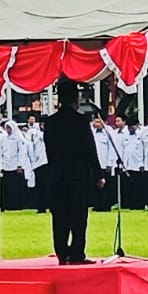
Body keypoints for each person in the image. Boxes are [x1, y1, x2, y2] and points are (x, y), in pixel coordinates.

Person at [42, 80, 103, 265]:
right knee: (78, 215)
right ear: (75, 98)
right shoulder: (81, 121)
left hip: (57, 174)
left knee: (59, 215)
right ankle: (77, 252)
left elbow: (49, 150)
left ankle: (62, 252)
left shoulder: (50, 122)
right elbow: (89, 149)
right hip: (78, 175)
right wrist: (98, 174)